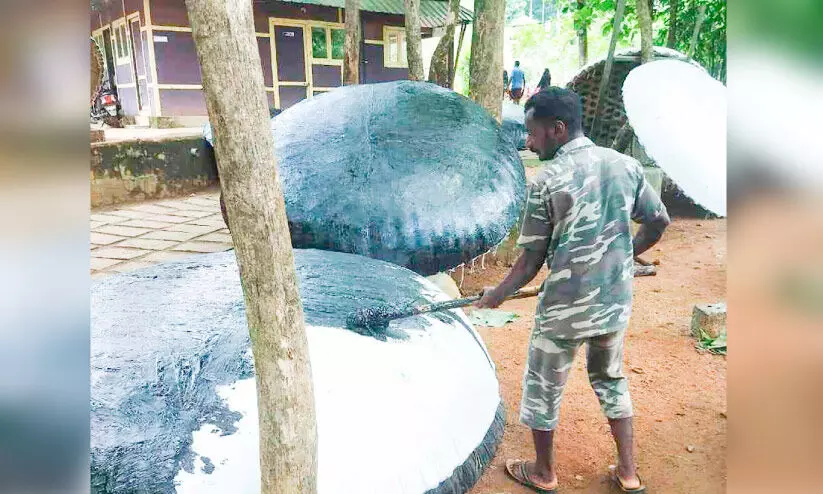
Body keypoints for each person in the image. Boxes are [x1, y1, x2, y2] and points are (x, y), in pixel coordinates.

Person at [475, 88, 670, 494]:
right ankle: (629, 473)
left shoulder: (547, 180)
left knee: (543, 387)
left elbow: (529, 262)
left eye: (533, 133)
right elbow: (658, 221)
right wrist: (621, 256)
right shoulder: (626, 166)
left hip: (563, 311)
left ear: (558, 129)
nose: (529, 142)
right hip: (613, 304)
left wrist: (497, 294)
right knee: (611, 379)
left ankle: (544, 474)